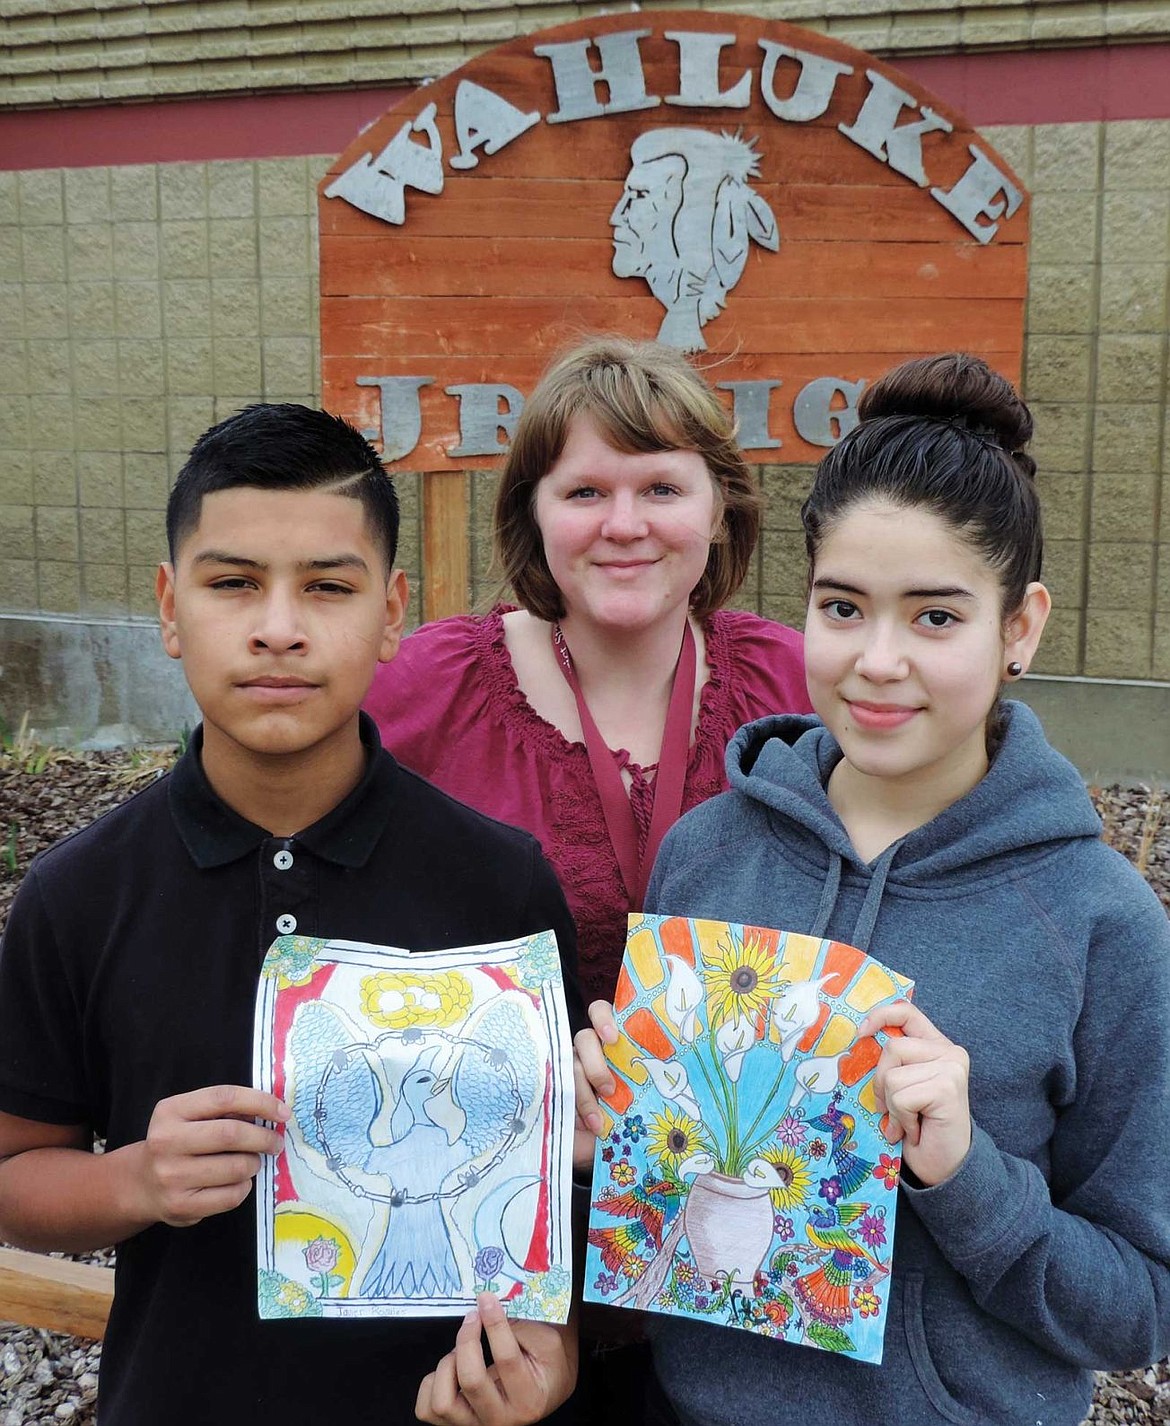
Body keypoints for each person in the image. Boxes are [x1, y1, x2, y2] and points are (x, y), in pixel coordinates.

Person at [574, 354, 1170, 1425]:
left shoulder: (1099, 924)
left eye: (936, 617)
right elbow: (651, 1211)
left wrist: (967, 1175)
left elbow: (1141, 1309)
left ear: (1020, 627)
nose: (878, 660)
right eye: (843, 607)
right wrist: (599, 1147)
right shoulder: (708, 854)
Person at [0, 404, 585, 1426]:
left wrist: (545, 1365)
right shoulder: (79, 896)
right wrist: (135, 1179)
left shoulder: (501, 884)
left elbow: (548, 1201)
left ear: (393, 609)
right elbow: (13, 1175)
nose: (279, 625)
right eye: (233, 584)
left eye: (327, 585)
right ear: (170, 607)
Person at [365, 336, 809, 1011]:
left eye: (661, 488)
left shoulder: (799, 684)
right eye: (584, 492)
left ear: (719, 510)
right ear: (532, 513)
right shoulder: (420, 687)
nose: (624, 525)